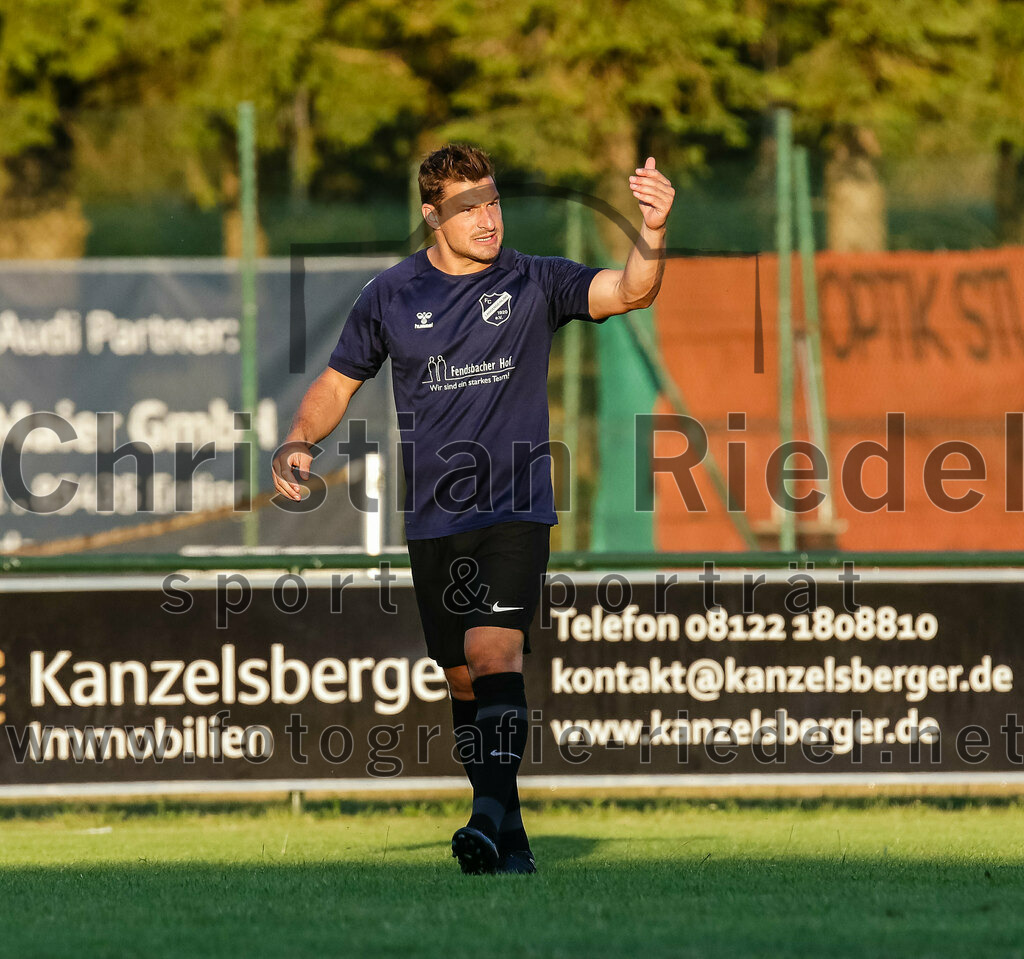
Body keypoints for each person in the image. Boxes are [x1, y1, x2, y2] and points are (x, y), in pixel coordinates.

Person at [272, 143, 674, 875]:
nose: (487, 219)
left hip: (516, 505)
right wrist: (300, 438)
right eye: (468, 207)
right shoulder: (390, 295)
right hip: (433, 517)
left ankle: (484, 814)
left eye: (493, 201)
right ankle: (508, 833)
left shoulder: (533, 279)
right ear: (433, 216)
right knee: (462, 677)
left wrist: (652, 229)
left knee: (495, 652)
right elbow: (338, 383)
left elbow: (630, 291)